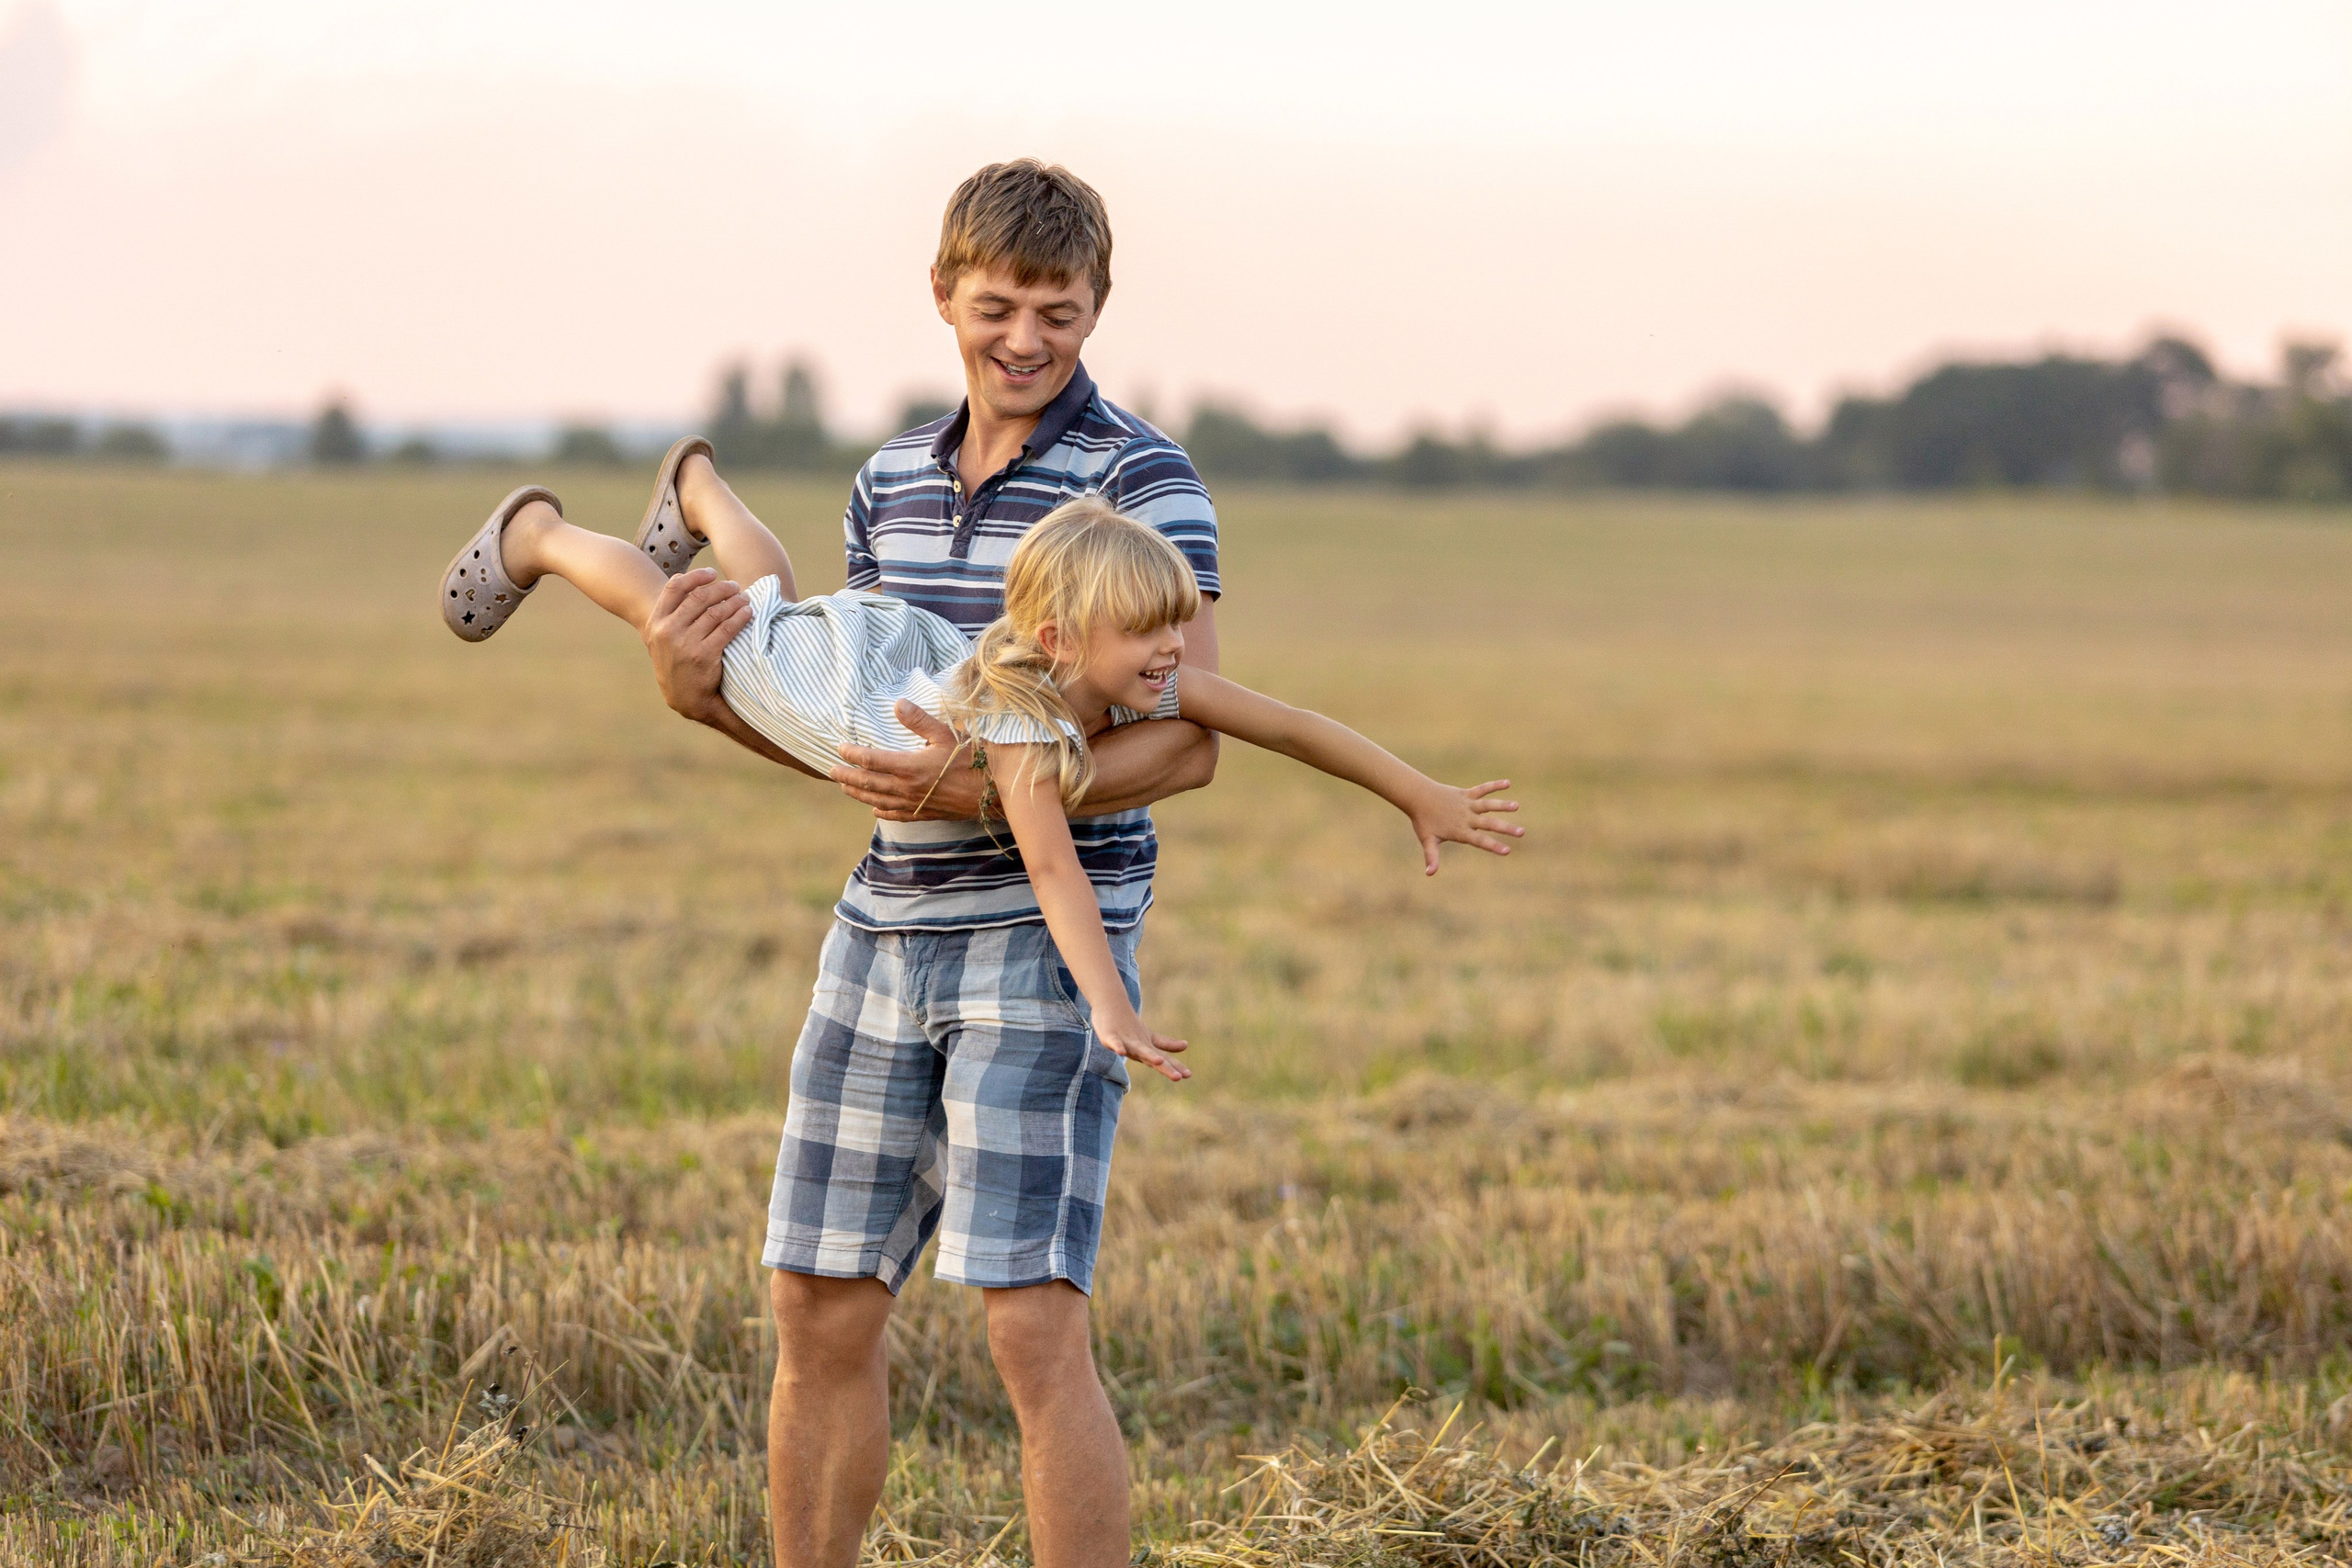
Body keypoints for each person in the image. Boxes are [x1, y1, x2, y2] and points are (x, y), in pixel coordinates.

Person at [439, 160, 1515, 1568]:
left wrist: (992, 802)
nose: (1024, 339)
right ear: (943, 295)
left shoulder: (1142, 485)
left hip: (1039, 943)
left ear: (1098, 308)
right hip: (881, 926)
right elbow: (855, 732)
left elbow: (1191, 737)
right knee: (816, 1303)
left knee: (1028, 1324)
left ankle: (674, 496)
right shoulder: (887, 479)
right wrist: (699, 699)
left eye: (1057, 313)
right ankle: (669, 498)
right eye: (998, 306)